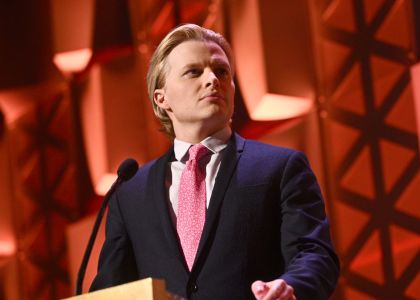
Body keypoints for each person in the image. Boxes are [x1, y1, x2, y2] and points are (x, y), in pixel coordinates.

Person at [90, 23, 340, 300]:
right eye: (194, 72)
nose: (212, 79)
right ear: (162, 99)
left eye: (221, 71)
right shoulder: (130, 191)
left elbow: (314, 253)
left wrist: (289, 288)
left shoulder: (280, 168)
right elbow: (111, 289)